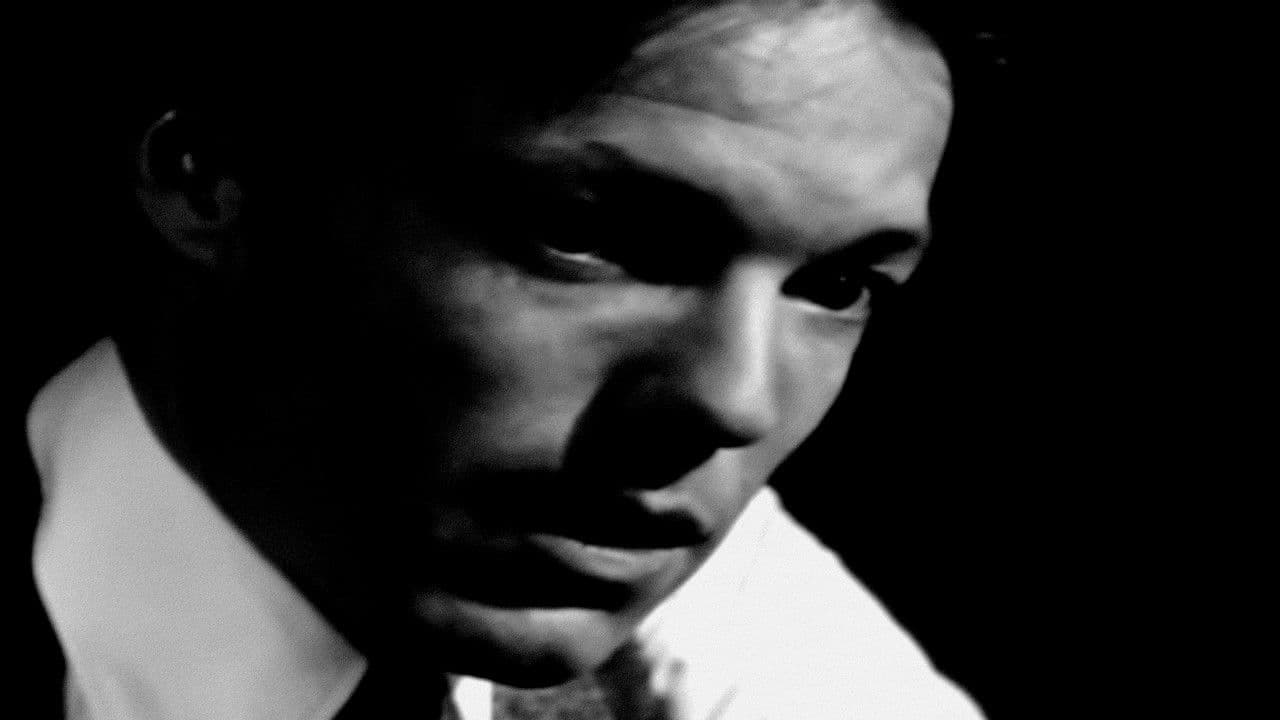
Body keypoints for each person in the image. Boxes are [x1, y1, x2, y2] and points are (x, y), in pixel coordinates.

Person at [23, 1, 986, 717]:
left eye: (836, 287)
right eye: (588, 235)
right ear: (213, 177)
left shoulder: (705, 593)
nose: (734, 402)